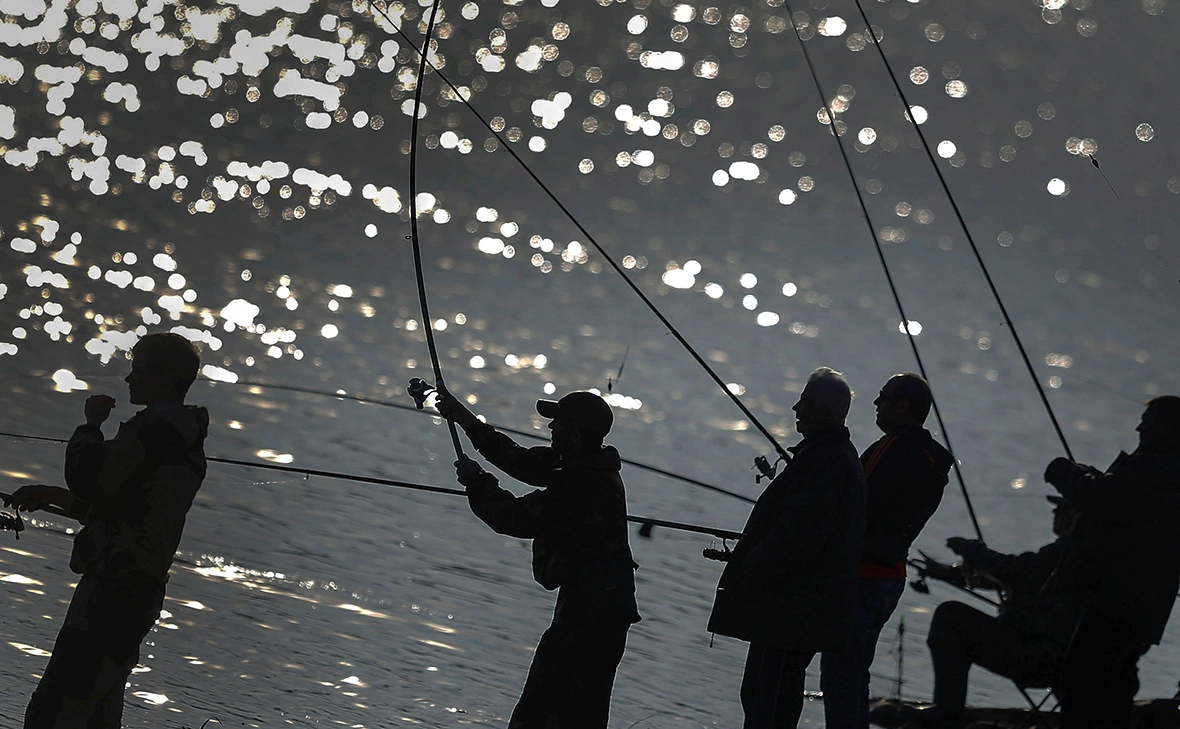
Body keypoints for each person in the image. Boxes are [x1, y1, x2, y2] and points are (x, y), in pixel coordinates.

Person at [5, 332, 208, 729]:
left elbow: (89, 479)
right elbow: (117, 507)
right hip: (139, 592)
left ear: (166, 377)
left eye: (139, 370)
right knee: (98, 713)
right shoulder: (180, 437)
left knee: (54, 710)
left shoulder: (152, 432)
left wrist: (90, 426)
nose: (130, 379)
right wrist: (49, 497)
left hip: (111, 592)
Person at [435, 386, 641, 729]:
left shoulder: (580, 483)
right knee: (581, 714)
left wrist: (478, 483)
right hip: (601, 611)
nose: (549, 429)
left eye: (557, 425)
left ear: (575, 435)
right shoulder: (581, 463)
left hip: (590, 621)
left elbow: (514, 518)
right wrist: (462, 416)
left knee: (544, 711)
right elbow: (519, 460)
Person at [706, 367, 867, 729]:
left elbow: (798, 537)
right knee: (768, 696)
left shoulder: (826, 463)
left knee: (769, 702)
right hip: (796, 612)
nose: (796, 408)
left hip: (792, 613)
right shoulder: (830, 457)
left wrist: (751, 566)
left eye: (806, 403)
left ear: (825, 411)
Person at [821, 373, 953, 729]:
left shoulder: (889, 448)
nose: (877, 404)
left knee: (840, 675)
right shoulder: (934, 463)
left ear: (902, 405)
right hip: (890, 578)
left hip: (859, 576)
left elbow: (852, 505)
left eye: (884, 397)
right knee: (855, 672)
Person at [1043, 395, 1180, 729]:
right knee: (1113, 692)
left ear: (1166, 429)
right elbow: (1122, 498)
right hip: (1141, 610)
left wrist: (1064, 472)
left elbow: (1102, 498)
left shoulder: (1155, 469)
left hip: (1115, 605)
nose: (1139, 428)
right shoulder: (1165, 471)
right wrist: (1088, 475)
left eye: (1146, 422)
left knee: (1079, 689)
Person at [896, 495, 1081, 727]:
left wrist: (971, 549)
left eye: (1063, 508)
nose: (1055, 513)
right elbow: (1022, 580)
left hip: (1041, 659)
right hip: (1062, 663)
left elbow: (1018, 572)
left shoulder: (1070, 549)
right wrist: (949, 573)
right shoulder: (1086, 553)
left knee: (949, 616)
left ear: (1079, 515)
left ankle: (947, 712)